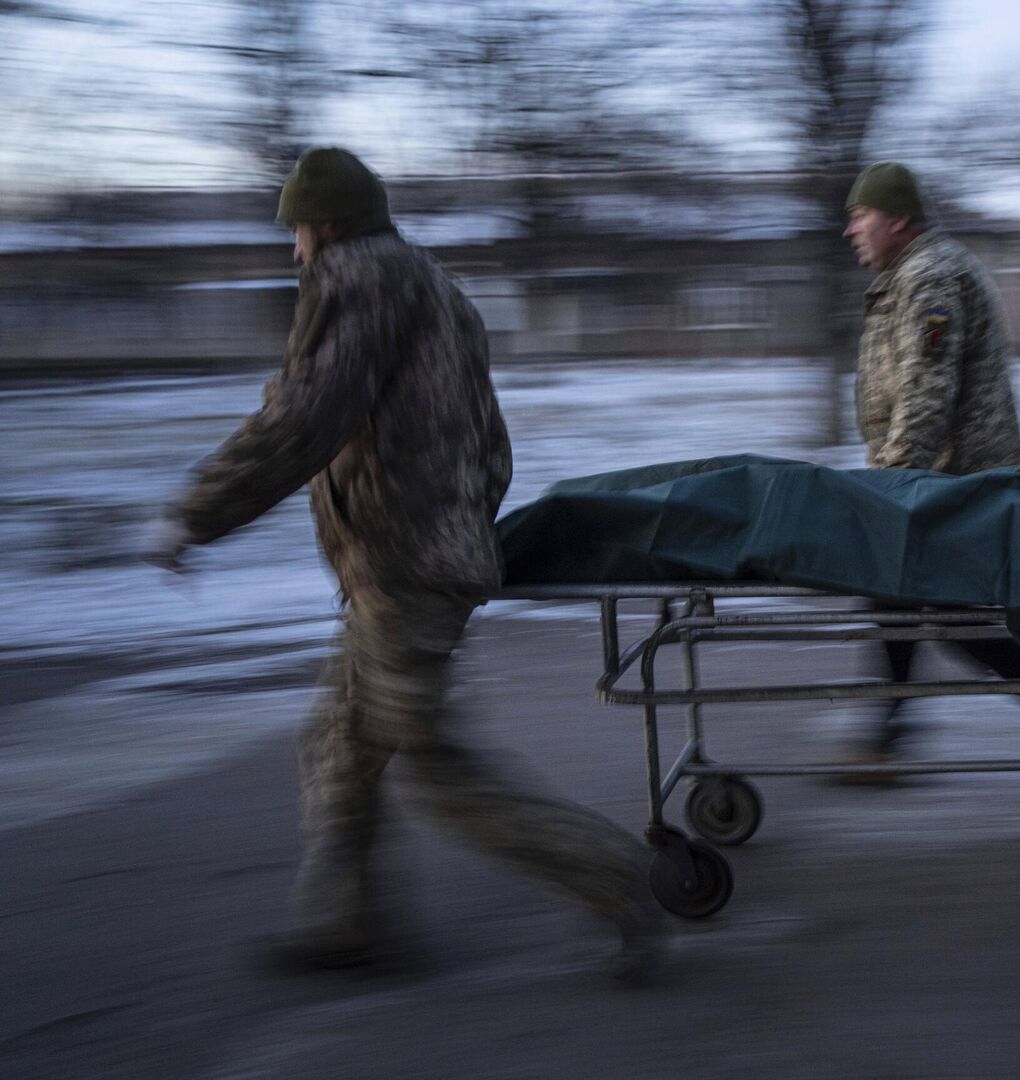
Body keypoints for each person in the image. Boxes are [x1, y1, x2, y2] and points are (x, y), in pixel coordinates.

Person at [139, 148, 666, 982]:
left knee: (434, 768)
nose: (295, 250)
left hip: (403, 569)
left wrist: (194, 513)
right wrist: (459, 524)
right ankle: (344, 925)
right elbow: (491, 445)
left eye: (300, 230)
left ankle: (625, 882)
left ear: (332, 225)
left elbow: (302, 421)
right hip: (412, 561)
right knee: (338, 747)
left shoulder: (357, 281)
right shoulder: (439, 290)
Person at [840, 161, 1020, 788]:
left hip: (961, 487)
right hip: (942, 483)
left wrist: (892, 483)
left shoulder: (932, 277)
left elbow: (928, 390)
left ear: (899, 220)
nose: (851, 229)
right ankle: (893, 733)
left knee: (940, 611)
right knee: (908, 600)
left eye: (862, 216)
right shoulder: (907, 277)